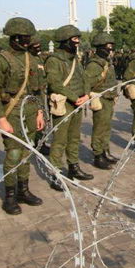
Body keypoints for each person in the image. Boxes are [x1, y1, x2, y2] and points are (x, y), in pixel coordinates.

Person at [0, 17, 46, 215]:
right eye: (23, 37)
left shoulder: (33, 59)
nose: (27, 41)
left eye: (29, 37)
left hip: (29, 111)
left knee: (26, 152)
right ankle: (9, 196)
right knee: (13, 153)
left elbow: (37, 90)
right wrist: (1, 118)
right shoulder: (1, 60)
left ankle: (24, 190)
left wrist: (39, 112)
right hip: (10, 112)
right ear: (13, 37)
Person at [45, 25, 93, 187]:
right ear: (65, 41)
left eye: (78, 38)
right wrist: (74, 97)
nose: (78, 42)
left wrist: (86, 94)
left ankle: (74, 167)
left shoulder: (75, 59)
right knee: (59, 140)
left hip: (78, 102)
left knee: (74, 138)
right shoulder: (54, 60)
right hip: (64, 104)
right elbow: (55, 84)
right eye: (74, 39)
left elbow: (85, 78)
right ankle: (56, 173)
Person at [84, 33, 120, 170]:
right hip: (100, 99)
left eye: (111, 47)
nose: (109, 50)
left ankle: (105, 151)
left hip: (109, 98)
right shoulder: (94, 64)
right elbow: (88, 82)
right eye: (107, 47)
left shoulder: (107, 63)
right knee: (99, 128)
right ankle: (98, 155)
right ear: (99, 48)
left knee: (106, 127)